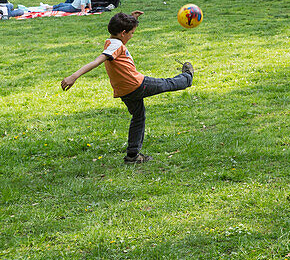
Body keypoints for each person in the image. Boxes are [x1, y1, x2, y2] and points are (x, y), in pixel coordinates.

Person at [60, 11, 194, 164]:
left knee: (138, 117)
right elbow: (96, 61)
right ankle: (188, 78)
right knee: (167, 84)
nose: (132, 36)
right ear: (123, 33)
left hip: (124, 91)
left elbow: (120, 35)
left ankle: (132, 155)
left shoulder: (111, 41)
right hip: (136, 85)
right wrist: (74, 76)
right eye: (131, 33)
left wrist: (132, 20)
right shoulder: (115, 46)